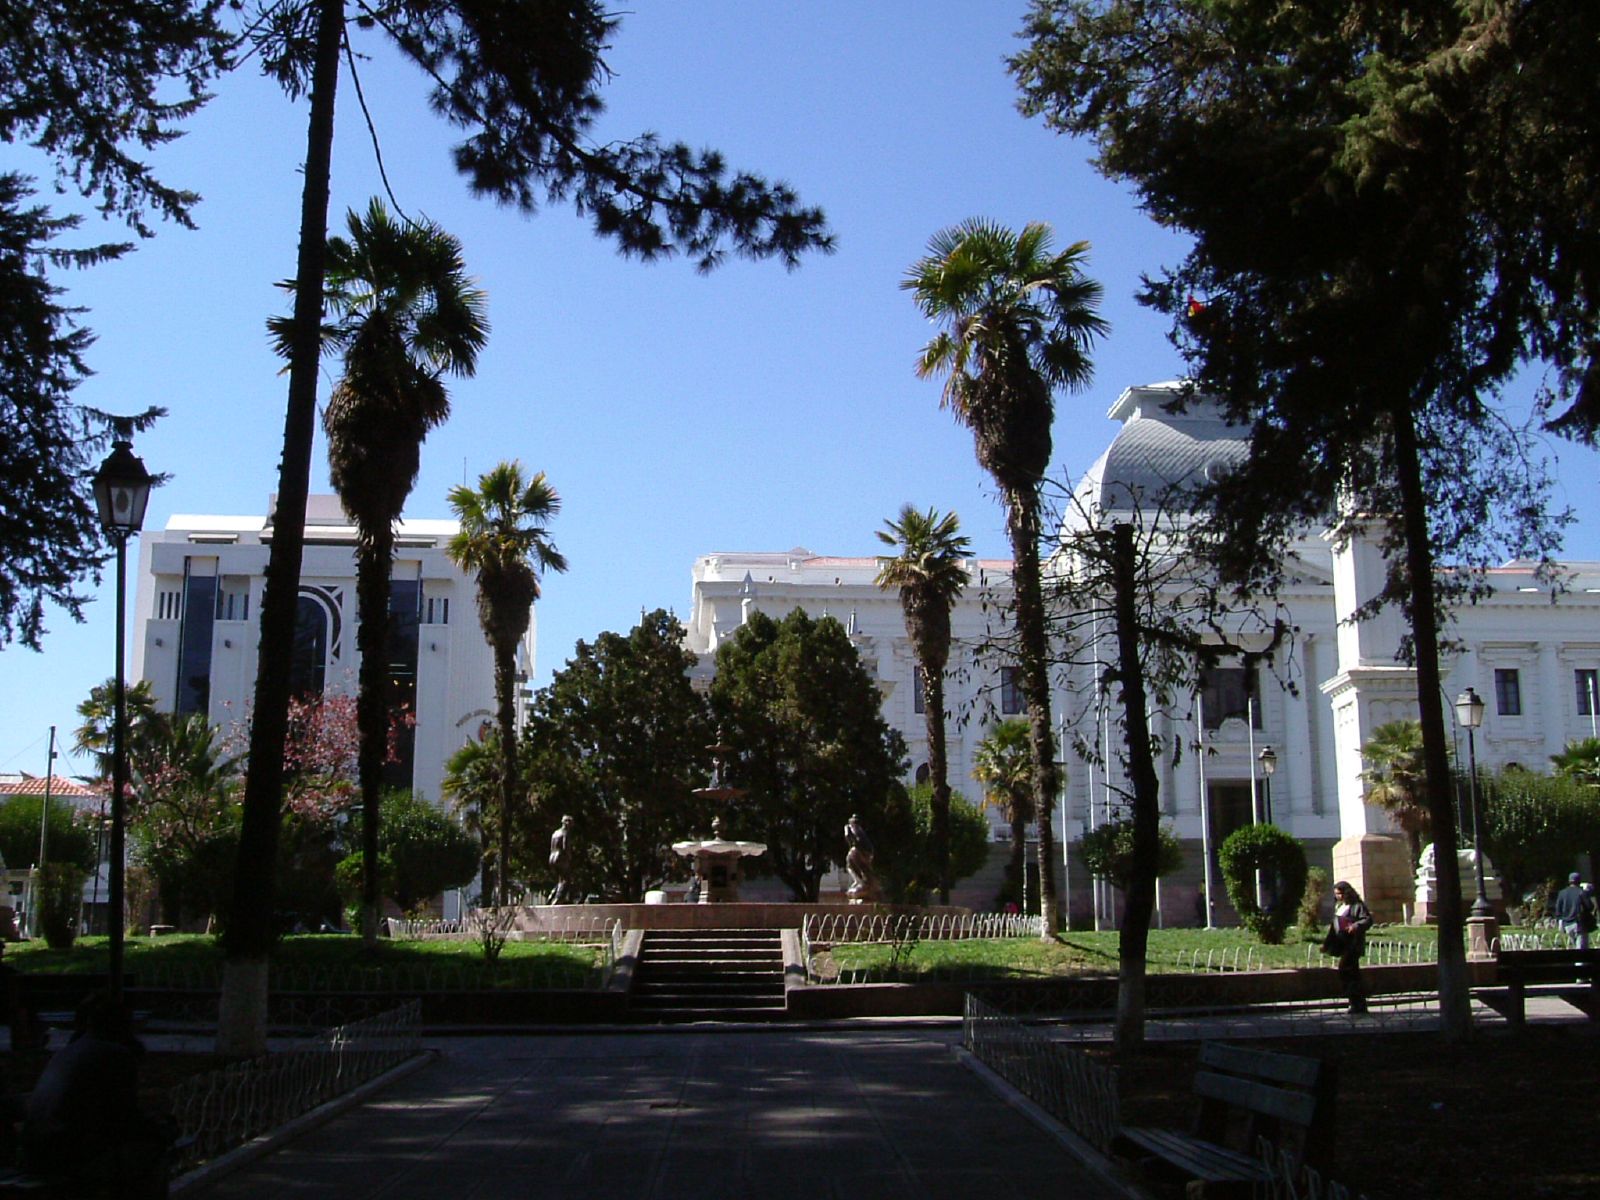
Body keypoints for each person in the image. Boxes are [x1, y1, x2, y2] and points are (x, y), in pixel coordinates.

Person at [21, 991, 176, 1198]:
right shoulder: (116, 1055)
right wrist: (160, 1129)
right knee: (154, 1153)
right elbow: (123, 1120)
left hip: (38, 1154)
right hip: (71, 1158)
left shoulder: (67, 1052)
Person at [1326, 880, 1374, 1014]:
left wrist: (1355, 926)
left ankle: (1357, 1002)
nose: (1338, 897)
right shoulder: (1339, 907)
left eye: (1340, 894)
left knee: (1347, 971)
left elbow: (1367, 920)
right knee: (1350, 973)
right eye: (1336, 894)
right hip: (1343, 944)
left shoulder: (1357, 906)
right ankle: (1356, 1002)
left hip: (1353, 944)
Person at [1552, 871, 1598, 950]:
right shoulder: (1581, 892)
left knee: (1574, 946)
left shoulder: (1562, 893)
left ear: (1569, 881)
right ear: (1579, 881)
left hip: (1567, 924)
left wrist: (1561, 921)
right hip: (1579, 924)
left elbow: (1558, 910)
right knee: (1582, 948)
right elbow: (1590, 906)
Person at [548, 815, 574, 904]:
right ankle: (557, 901)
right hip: (560, 858)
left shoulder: (555, 833)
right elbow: (565, 847)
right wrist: (569, 858)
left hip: (552, 858)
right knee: (566, 880)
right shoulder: (565, 833)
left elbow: (552, 847)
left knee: (559, 880)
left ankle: (551, 897)